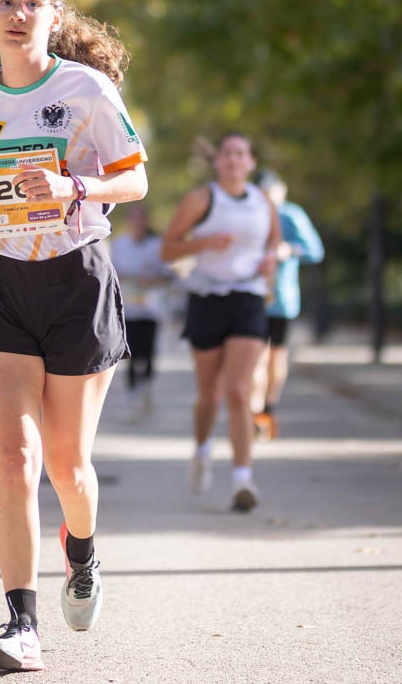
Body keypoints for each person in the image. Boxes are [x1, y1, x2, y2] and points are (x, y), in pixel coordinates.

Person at [0, 0, 148, 671]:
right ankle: (20, 624)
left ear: (53, 15)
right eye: (5, 1)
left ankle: (82, 551)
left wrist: (73, 186)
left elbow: (136, 179)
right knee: (14, 459)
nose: (17, 13)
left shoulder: (86, 89)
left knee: (68, 468)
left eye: (32, 3)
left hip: (75, 282)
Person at [160, 131, 281, 513]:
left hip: (248, 297)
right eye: (227, 153)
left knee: (239, 391)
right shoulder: (202, 199)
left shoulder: (263, 202)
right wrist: (205, 243)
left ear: (251, 162)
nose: (233, 159)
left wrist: (271, 261)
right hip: (207, 297)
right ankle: (201, 451)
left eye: (241, 153)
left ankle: (243, 480)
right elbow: (167, 249)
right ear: (217, 161)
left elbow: (274, 243)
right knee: (210, 396)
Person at [250, 169, 324, 439]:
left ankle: (268, 409)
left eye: (270, 191)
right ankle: (254, 413)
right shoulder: (250, 213)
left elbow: (315, 251)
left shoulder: (291, 215)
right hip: (253, 297)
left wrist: (289, 250)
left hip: (281, 300)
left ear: (281, 190)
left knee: (276, 358)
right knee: (255, 358)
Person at [108, 203, 174, 421]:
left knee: (147, 353)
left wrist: (151, 281)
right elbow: (111, 273)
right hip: (127, 309)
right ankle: (133, 397)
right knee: (129, 353)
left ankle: (145, 389)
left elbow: (169, 276)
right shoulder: (119, 245)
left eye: (140, 218)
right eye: (133, 218)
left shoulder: (157, 245)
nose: (136, 223)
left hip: (151, 308)